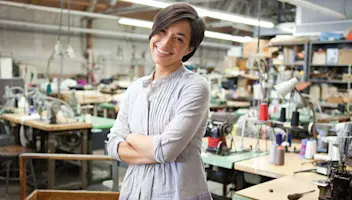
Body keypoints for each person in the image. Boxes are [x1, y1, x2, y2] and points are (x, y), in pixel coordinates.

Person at [107, 2, 211, 200]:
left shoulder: (195, 87)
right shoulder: (136, 88)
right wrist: (157, 151)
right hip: (134, 192)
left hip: (177, 193)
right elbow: (112, 145)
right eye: (162, 32)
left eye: (178, 38)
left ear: (189, 48)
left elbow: (165, 150)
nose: (165, 43)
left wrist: (129, 137)